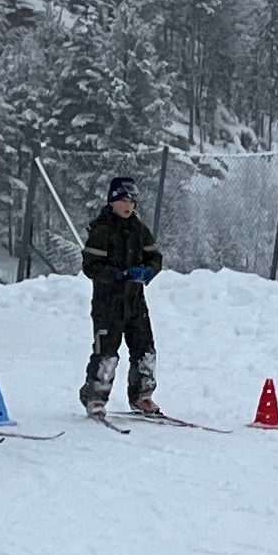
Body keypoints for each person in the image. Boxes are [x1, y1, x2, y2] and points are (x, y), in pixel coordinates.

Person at [78, 174, 163, 416]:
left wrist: (147, 272)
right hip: (108, 304)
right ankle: (95, 396)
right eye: (124, 201)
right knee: (106, 352)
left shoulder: (140, 230)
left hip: (136, 303)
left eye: (133, 202)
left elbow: (155, 258)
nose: (128, 206)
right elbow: (91, 266)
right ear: (112, 202)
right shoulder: (102, 230)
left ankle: (142, 396)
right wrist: (118, 275)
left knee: (145, 350)